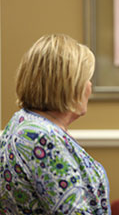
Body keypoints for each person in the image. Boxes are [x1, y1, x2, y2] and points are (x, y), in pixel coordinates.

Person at [0, 34, 111, 214]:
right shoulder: (40, 138)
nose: (89, 86)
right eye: (86, 79)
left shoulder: (23, 122)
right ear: (69, 85)